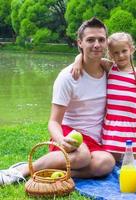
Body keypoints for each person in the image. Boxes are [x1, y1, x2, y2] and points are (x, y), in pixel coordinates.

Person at [0, 17, 115, 186]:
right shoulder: (68, 76)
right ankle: (22, 170)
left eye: (101, 39)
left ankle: (53, 172)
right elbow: (54, 121)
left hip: (96, 142)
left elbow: (133, 71)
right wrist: (61, 140)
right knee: (82, 156)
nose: (97, 44)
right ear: (80, 43)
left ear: (106, 43)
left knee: (106, 163)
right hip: (70, 135)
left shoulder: (110, 71)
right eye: (90, 40)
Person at [72, 32, 136, 161]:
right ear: (110, 54)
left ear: (132, 49)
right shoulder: (110, 68)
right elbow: (88, 57)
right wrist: (77, 62)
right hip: (113, 127)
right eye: (115, 53)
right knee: (111, 161)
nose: (121, 55)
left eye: (124, 51)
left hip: (132, 126)